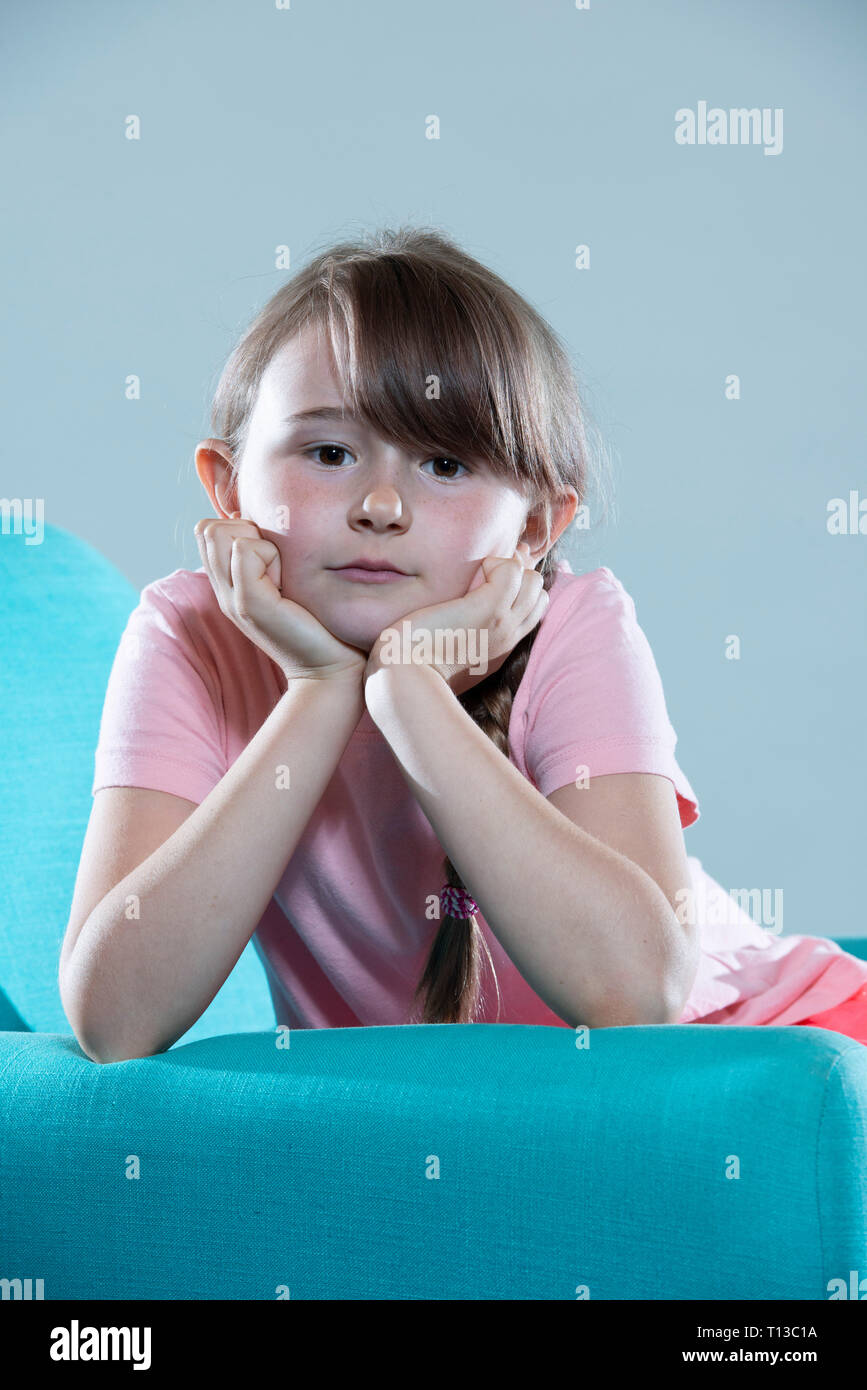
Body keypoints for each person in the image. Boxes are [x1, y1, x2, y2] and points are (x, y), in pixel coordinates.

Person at [59, 226, 867, 1062]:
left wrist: (408, 696)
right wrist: (318, 690)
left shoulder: (575, 627)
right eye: (329, 452)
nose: (380, 503)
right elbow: (116, 1020)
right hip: (460, 1135)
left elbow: (635, 994)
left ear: (535, 528)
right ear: (228, 489)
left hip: (756, 1066)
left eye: (444, 466)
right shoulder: (189, 635)